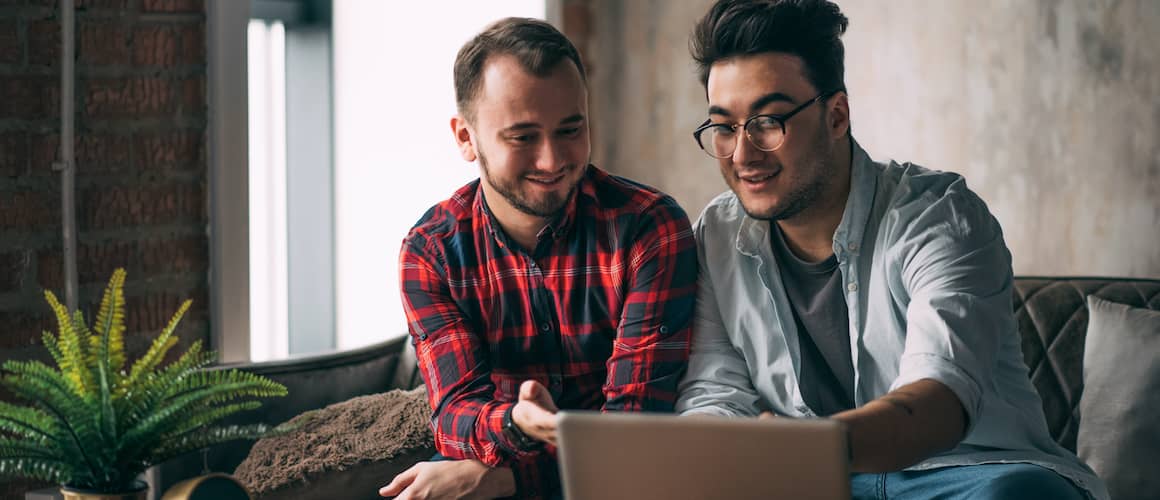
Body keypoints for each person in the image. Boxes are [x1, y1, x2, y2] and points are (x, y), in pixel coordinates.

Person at [674, 1, 1108, 499]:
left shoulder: (940, 216)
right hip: (819, 484)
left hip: (965, 474)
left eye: (768, 122)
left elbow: (939, 399)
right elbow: (715, 392)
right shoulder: (716, 234)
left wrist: (811, 446)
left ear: (836, 115)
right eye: (724, 127)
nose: (743, 153)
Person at [380, 17, 697, 500]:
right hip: (500, 452)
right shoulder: (431, 251)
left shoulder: (648, 228)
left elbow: (635, 431)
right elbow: (455, 414)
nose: (552, 160)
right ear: (466, 137)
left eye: (570, 130)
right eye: (523, 137)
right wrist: (514, 422)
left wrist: (507, 478)